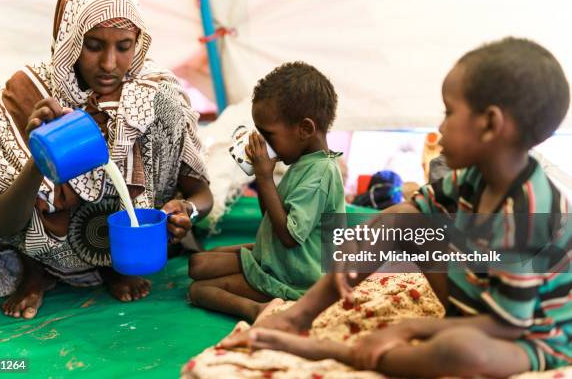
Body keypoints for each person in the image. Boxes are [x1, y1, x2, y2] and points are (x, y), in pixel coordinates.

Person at [222, 38, 572, 377]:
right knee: (402, 219)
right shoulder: (475, 177)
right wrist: (359, 244)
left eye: (449, 113)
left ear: (490, 125)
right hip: (477, 295)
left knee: (463, 352)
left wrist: (409, 330)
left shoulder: (527, 212)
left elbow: (506, 325)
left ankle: (338, 352)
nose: (440, 126)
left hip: (532, 333)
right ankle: (300, 316)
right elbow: (411, 210)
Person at [0, 0, 213, 320]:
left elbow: (202, 195)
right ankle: (37, 271)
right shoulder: (28, 92)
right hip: (41, 246)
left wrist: (188, 211)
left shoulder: (152, 93)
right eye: (93, 45)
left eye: (124, 47)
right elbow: (6, 225)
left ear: (138, 43)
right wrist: (39, 155)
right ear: (70, 39)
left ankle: (114, 266)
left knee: (165, 102)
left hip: (120, 248)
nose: (109, 64)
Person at [188, 62, 345, 322]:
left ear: (305, 129)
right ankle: (259, 273)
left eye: (268, 135)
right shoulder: (303, 163)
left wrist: (264, 176)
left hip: (298, 274)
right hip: (281, 255)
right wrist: (264, 179)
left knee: (200, 289)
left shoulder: (321, 173)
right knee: (198, 264)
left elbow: (289, 237)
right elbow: (270, 218)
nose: (263, 142)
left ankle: (258, 309)